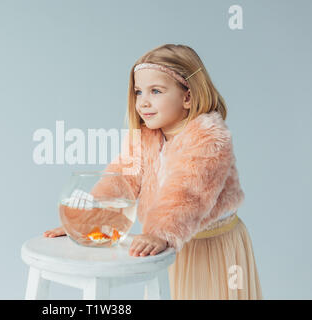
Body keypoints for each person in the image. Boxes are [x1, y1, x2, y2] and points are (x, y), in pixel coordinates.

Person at [44, 44, 262, 299]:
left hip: (210, 247)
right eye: (138, 92)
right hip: (170, 245)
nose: (143, 102)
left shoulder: (209, 136)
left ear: (187, 97)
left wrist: (160, 233)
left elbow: (188, 191)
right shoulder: (146, 138)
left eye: (156, 91)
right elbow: (121, 179)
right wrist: (88, 220)